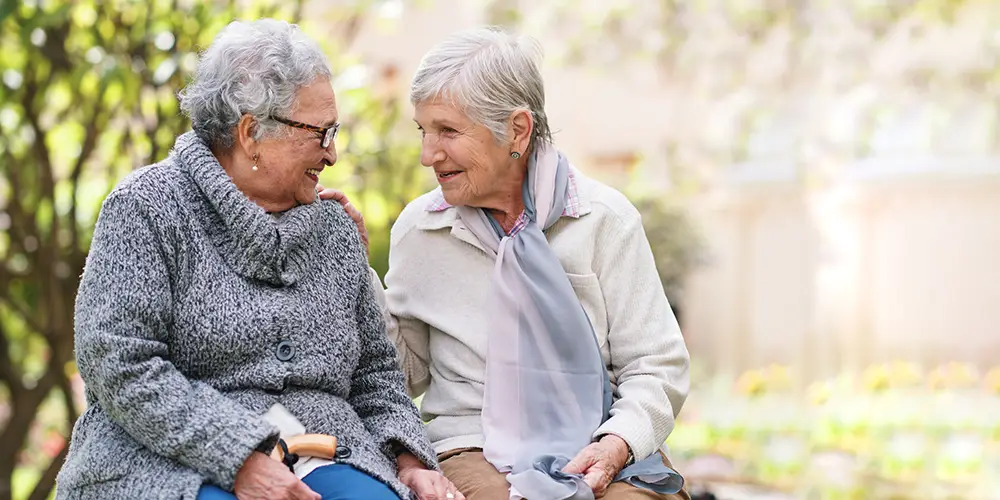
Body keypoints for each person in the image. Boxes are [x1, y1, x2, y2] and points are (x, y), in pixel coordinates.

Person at [55, 19, 462, 500]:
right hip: (172, 458)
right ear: (251, 133)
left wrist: (411, 460)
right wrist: (239, 456)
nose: (331, 153)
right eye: (321, 133)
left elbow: (375, 372)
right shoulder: (146, 208)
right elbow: (120, 365)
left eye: (335, 131)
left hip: (329, 449)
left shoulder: (332, 228)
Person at [323, 27, 691, 500]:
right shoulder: (420, 230)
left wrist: (617, 443)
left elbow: (655, 365)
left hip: (601, 440)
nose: (427, 155)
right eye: (423, 130)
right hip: (471, 445)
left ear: (517, 129)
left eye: (448, 131)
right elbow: (402, 374)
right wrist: (356, 271)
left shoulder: (604, 220)